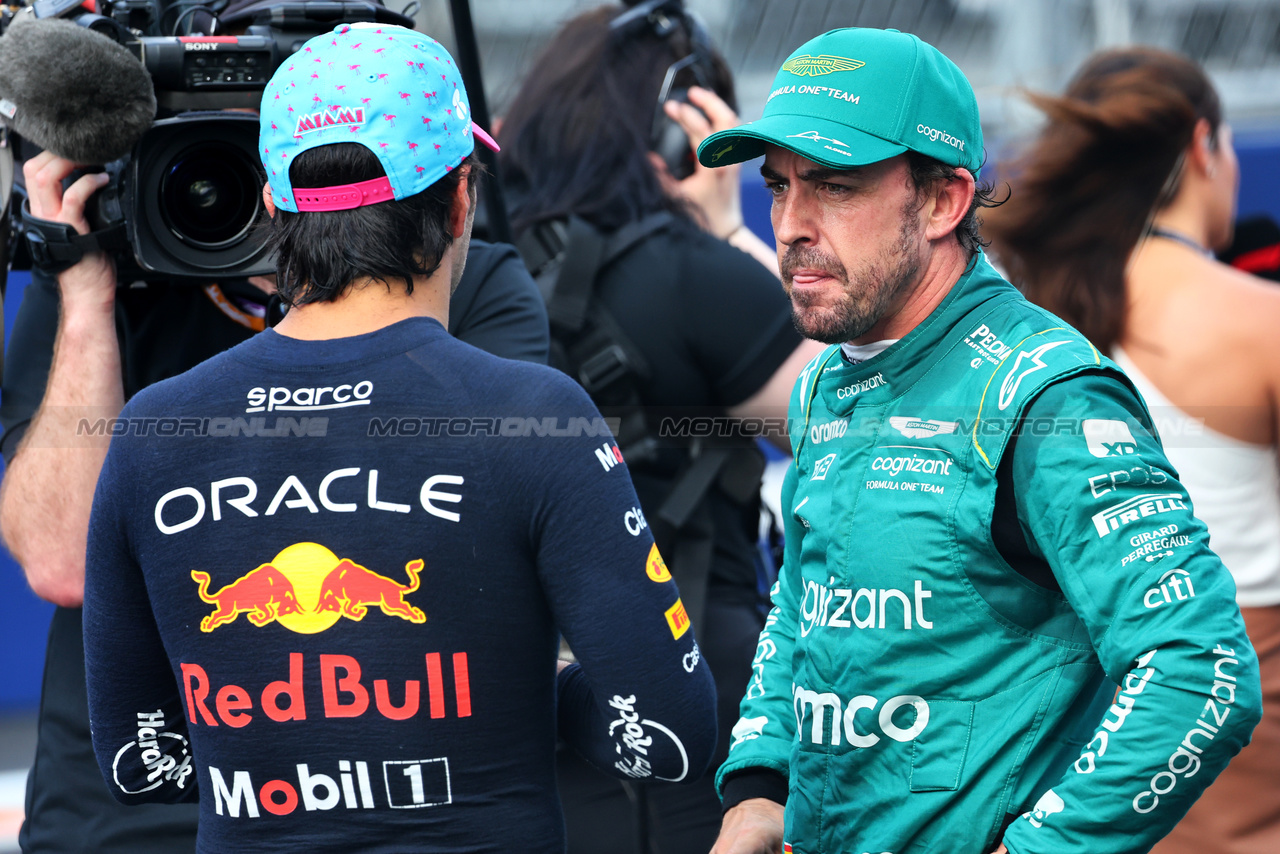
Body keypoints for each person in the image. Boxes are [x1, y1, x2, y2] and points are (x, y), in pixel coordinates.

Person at [75, 21, 716, 853]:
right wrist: (519, 692)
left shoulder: (156, 429)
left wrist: (295, 751)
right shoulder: (534, 416)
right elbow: (665, 738)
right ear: (460, 200)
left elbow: (137, 762)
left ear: (274, 209)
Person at [694, 26, 1262, 854]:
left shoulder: (1044, 395)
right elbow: (808, 606)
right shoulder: (828, 378)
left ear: (942, 202)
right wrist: (758, 786)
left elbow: (1202, 671)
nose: (789, 224)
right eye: (778, 187)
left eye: (834, 187)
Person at [0, 36, 549, 854]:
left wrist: (335, 291)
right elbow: (61, 559)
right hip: (129, 804)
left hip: (385, 802)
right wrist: (83, 292)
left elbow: (456, 530)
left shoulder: (459, 273)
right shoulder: (105, 275)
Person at [496, 2, 823, 850]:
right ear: (685, 132)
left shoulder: (475, 278)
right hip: (700, 688)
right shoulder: (699, 278)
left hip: (513, 686)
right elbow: (840, 428)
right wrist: (729, 230)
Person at [983, 47, 1280, 854]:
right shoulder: (1256, 320)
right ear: (1202, 148)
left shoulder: (1014, 315)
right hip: (1235, 737)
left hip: (1050, 733)